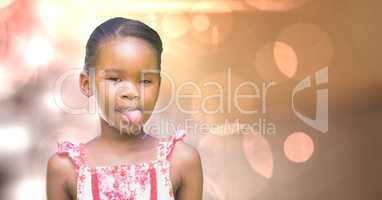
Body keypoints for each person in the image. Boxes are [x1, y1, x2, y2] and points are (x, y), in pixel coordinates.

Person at [46, 17, 203, 200]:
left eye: (146, 81)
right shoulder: (65, 168)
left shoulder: (182, 161)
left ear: (159, 85)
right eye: (115, 79)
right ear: (86, 83)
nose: (131, 92)